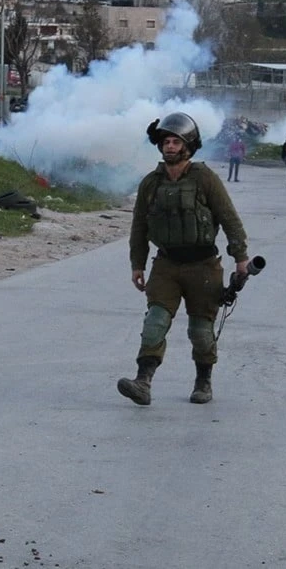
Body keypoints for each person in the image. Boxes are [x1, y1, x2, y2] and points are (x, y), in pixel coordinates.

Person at [118, 112, 250, 407]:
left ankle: (203, 380)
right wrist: (137, 264)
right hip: (166, 264)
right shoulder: (151, 183)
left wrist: (241, 258)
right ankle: (143, 381)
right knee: (155, 320)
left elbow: (229, 219)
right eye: (166, 141)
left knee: (201, 330)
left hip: (203, 265)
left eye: (176, 141)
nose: (170, 146)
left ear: (188, 146)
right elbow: (139, 227)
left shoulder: (205, 179)